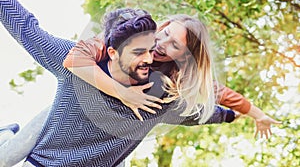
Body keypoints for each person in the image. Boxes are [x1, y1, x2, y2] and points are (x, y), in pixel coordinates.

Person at [0, 0, 236, 167]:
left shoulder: (160, 98)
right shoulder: (74, 62)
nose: (153, 52)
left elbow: (196, 114)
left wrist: (229, 115)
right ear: (113, 48)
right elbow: (27, 28)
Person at [64, 13, 281, 138]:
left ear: (184, 57)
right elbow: (74, 59)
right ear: (163, 26)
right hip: (73, 108)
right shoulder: (130, 36)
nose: (161, 44)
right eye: (165, 34)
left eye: (174, 45)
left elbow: (218, 95)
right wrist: (123, 93)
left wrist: (256, 115)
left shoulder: (173, 77)